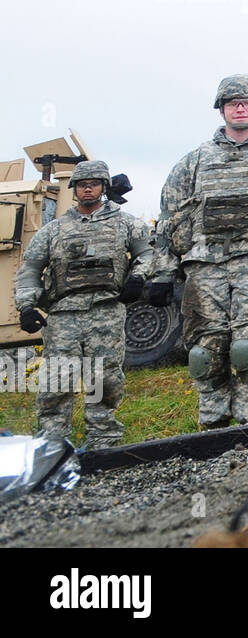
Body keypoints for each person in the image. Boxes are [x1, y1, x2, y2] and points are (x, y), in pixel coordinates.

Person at [148, 75, 248, 428]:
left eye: (247, 102)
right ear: (221, 109)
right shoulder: (194, 161)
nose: (240, 107)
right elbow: (168, 218)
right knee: (205, 352)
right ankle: (213, 426)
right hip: (204, 264)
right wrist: (163, 271)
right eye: (232, 102)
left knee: (247, 348)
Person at [13, 160, 152, 448]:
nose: (87, 189)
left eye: (94, 184)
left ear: (104, 187)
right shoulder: (54, 231)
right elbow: (29, 269)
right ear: (74, 190)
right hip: (64, 315)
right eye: (82, 185)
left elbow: (148, 254)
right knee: (57, 380)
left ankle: (103, 439)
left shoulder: (126, 223)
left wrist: (138, 279)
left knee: (104, 378)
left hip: (106, 310)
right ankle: (51, 444)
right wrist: (27, 306)